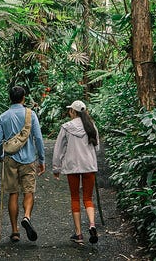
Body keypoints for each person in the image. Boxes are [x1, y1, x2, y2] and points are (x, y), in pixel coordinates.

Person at [0, 85, 46, 242]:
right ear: (24, 98)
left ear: (10, 98)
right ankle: (27, 216)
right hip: (29, 159)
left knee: (13, 193)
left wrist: (1, 156)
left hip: (10, 159)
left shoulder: (3, 117)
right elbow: (38, 138)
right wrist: (42, 160)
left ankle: (15, 231)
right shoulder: (31, 115)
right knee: (29, 191)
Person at [51, 99, 100, 244]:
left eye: (70, 110)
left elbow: (58, 148)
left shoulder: (66, 127)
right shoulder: (91, 126)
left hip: (72, 166)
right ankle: (92, 224)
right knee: (88, 198)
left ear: (73, 112)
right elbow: (97, 148)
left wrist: (56, 167)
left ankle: (78, 234)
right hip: (89, 166)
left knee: (74, 198)